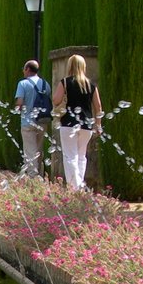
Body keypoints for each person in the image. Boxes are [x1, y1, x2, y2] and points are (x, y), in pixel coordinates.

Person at [52, 54, 103, 190]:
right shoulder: (90, 85)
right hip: (86, 126)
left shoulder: (65, 82)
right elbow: (98, 107)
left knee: (70, 156)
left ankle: (76, 187)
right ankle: (79, 185)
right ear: (83, 66)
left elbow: (56, 100)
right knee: (81, 157)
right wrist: (98, 125)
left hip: (68, 124)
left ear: (70, 66)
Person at [14, 60, 52, 176]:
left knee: (30, 151)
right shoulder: (46, 84)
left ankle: (33, 177)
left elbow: (19, 103)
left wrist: (17, 108)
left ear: (28, 70)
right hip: (42, 121)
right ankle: (40, 175)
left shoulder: (23, 84)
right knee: (39, 150)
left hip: (27, 122)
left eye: (24, 69)